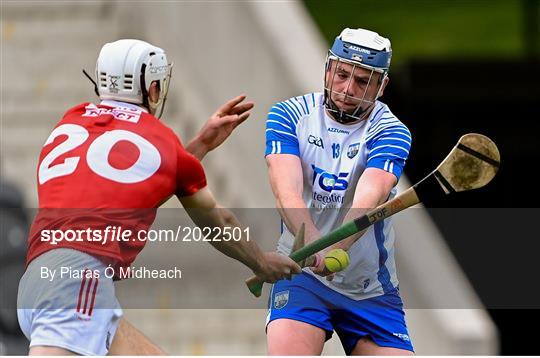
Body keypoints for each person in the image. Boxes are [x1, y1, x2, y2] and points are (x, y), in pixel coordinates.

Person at [17, 39, 301, 356]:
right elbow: (218, 222)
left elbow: (133, 186)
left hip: (42, 277)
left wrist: (199, 147)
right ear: (152, 89)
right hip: (79, 282)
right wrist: (261, 262)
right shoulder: (162, 139)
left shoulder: (72, 119)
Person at [264, 28, 414, 355]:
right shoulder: (288, 115)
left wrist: (336, 247)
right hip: (302, 274)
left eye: (362, 81)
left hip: (370, 288)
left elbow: (371, 195)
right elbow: (286, 193)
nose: (348, 89)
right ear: (329, 69)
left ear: (381, 86)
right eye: (342, 74)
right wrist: (315, 246)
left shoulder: (392, 131)